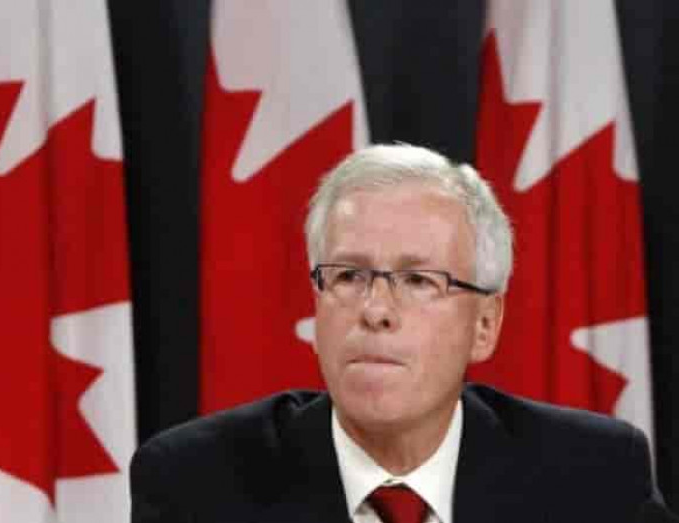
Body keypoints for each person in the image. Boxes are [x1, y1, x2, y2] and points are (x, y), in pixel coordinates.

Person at [130, 144, 677, 522]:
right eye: (349, 276)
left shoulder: (592, 477)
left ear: (485, 325)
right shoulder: (195, 485)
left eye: (418, 280)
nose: (375, 310)